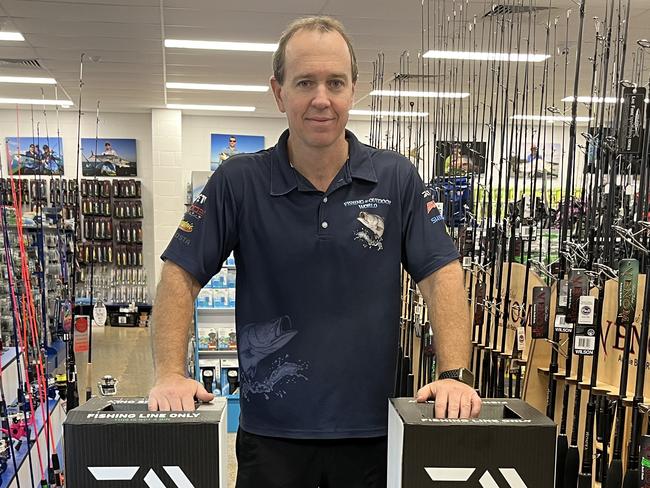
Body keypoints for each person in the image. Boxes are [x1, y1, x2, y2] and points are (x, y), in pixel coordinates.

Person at [150, 16, 480, 487]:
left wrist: (454, 373)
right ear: (279, 91)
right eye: (305, 82)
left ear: (352, 91)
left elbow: (441, 272)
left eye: (335, 83)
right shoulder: (238, 182)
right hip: (271, 439)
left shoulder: (396, 178)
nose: (321, 98)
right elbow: (179, 274)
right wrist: (170, 373)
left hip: (373, 435)